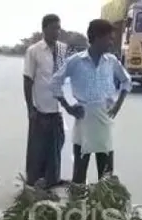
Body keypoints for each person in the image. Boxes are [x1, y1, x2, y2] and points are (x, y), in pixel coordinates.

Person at [50, 19, 131, 184]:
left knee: (106, 175)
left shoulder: (112, 62)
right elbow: (55, 82)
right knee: (80, 173)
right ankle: (77, 204)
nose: (111, 43)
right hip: (83, 118)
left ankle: (105, 207)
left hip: (104, 119)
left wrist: (118, 105)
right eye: (108, 38)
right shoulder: (76, 61)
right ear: (96, 37)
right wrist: (68, 107)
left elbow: (126, 81)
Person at [24, 14, 67, 188]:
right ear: (44, 29)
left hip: (57, 108)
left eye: (59, 28)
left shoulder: (63, 49)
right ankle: (33, 182)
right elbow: (28, 80)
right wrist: (30, 108)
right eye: (53, 28)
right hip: (40, 108)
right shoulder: (34, 51)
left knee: (55, 147)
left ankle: (51, 180)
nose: (57, 31)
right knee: (37, 149)